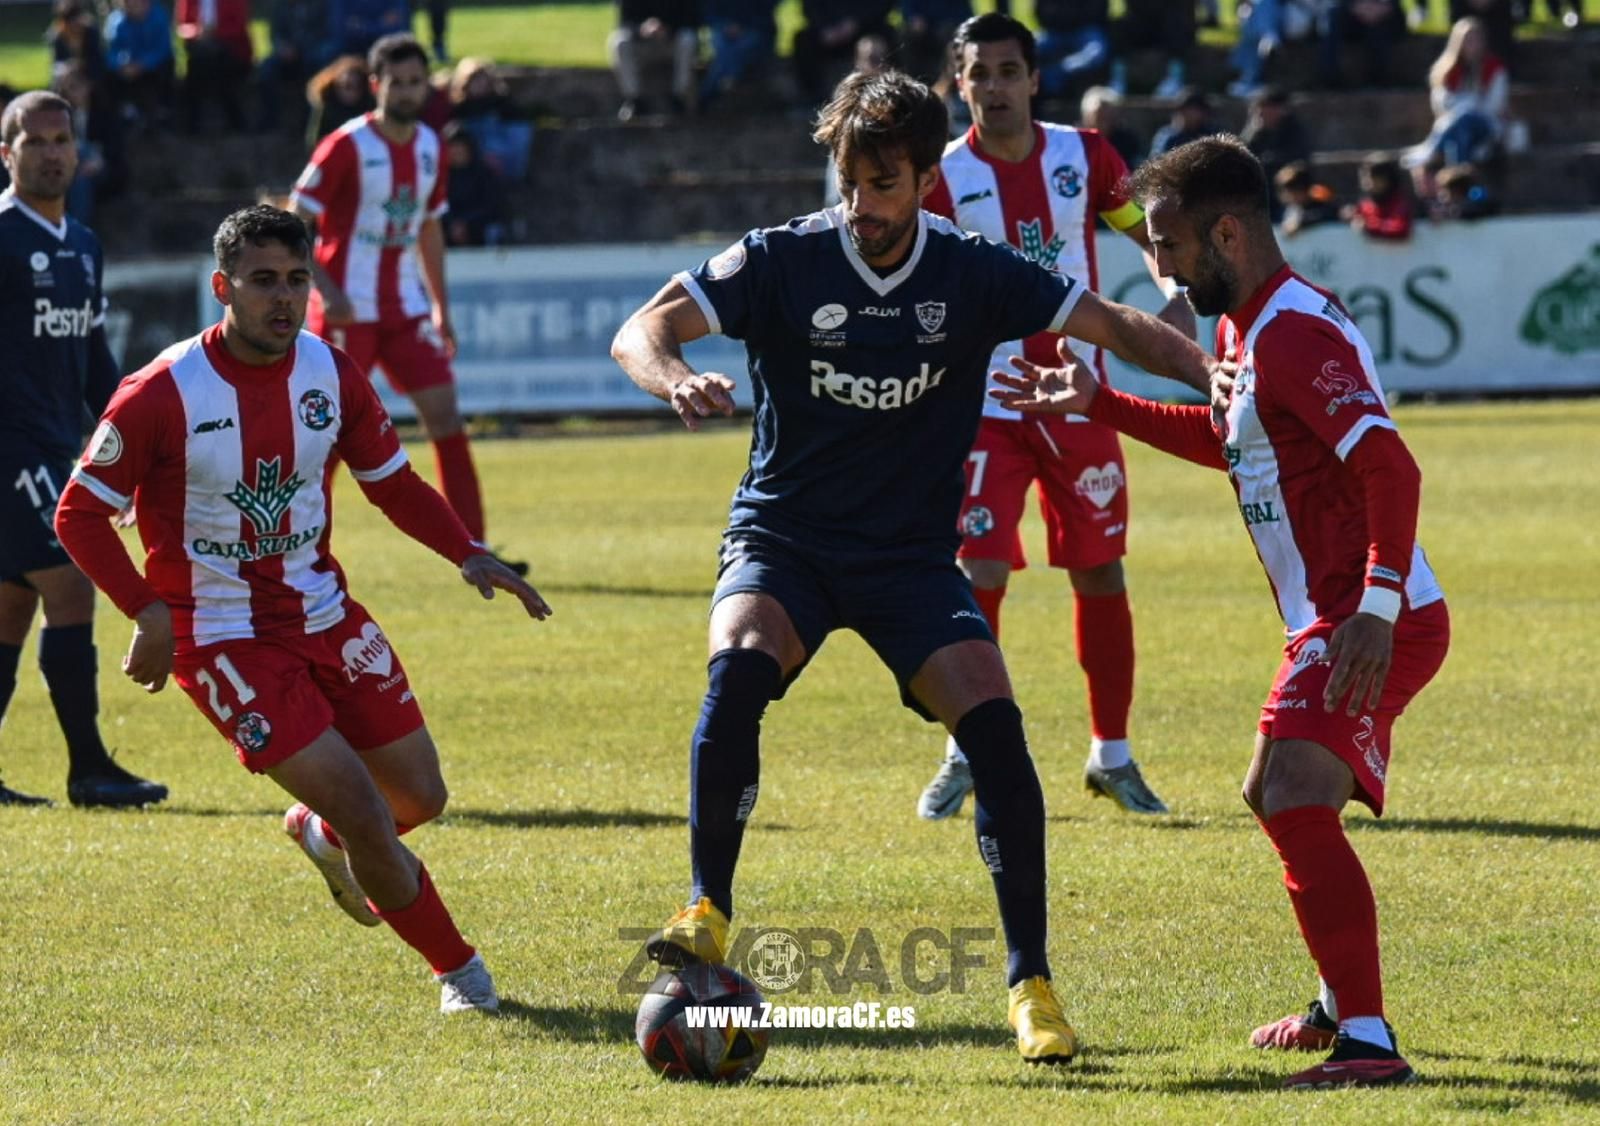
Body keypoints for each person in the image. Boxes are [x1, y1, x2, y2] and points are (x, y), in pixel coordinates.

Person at [610, 68, 1217, 1065]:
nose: (861, 207)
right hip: (786, 540)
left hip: (907, 559)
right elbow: (641, 328)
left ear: (928, 179)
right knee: (738, 666)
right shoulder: (780, 258)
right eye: (847, 182)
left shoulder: (972, 271)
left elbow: (1112, 323)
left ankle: (1032, 986)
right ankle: (706, 910)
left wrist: (1213, 372)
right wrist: (673, 374)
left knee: (998, 735)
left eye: (883, 185)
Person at [991, 134, 1448, 1089]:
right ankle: (1339, 1005)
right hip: (1337, 611)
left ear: (1227, 234)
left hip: (1373, 611)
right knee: (1271, 791)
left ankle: (1368, 1041)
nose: (1154, 263)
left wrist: (1374, 606)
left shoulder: (1291, 335)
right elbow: (1237, 442)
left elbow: (1390, 466)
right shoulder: (1243, 328)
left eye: (1165, 243)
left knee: (1292, 794)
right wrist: (1101, 402)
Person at [54, 204, 551, 1010]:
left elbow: (390, 481)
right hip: (222, 640)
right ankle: (463, 975)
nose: (281, 299)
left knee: (420, 798)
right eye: (261, 283)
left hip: (326, 613)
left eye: (295, 281)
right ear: (223, 287)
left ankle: (320, 836)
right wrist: (147, 611)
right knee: (364, 808)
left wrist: (467, 551)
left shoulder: (330, 371)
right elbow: (78, 513)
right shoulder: (161, 393)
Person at [916, 12, 1197, 821]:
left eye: (1010, 71)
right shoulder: (939, 178)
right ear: (958, 83)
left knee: (1100, 569)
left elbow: (1145, 232)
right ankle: (965, 749)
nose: (995, 87)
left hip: (1079, 396)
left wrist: (1174, 293)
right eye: (980, 73)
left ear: (1034, 79)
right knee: (979, 575)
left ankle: (1111, 754)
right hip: (984, 403)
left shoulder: (1087, 155)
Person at [292, 34, 524, 571]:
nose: (407, 91)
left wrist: (441, 306)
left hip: (404, 308)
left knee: (446, 417)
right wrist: (326, 292)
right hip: (349, 310)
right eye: (397, 82)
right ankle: (303, 551)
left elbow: (427, 229)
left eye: (417, 82)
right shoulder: (346, 144)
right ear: (377, 85)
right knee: (323, 437)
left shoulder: (430, 146)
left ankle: (475, 548)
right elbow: (295, 222)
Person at [0, 91, 166, 808]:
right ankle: (89, 768)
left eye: (61, 138)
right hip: (10, 453)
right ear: (6, 154)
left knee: (11, 608)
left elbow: (93, 356)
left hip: (52, 447)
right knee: (71, 585)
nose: (51, 152)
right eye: (33, 141)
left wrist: (131, 441)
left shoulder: (84, 244)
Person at [609, 0, 702, 121]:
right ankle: (634, 101)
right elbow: (623, 22)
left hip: (671, 42)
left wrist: (667, 28)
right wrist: (641, 28)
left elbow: (693, 21)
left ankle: (679, 98)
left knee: (688, 38)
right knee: (619, 41)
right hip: (642, 45)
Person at [103, 0, 177, 131]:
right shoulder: (116, 21)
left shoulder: (158, 16)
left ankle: (163, 110)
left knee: (166, 66)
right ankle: (125, 111)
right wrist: (121, 65)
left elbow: (163, 49)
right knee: (109, 75)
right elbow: (111, 51)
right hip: (128, 68)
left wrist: (143, 64)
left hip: (153, 67)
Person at [1240, 87, 1311, 222]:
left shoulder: (1294, 132)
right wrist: (1252, 132)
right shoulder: (1255, 133)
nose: (1262, 113)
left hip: (1288, 192)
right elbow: (1242, 156)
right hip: (1260, 193)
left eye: (1267, 107)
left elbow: (1297, 162)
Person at [1345, 154, 1413, 240]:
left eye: (1370, 177)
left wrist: (1369, 226)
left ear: (1384, 179)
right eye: (1364, 177)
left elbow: (1401, 228)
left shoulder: (1400, 203)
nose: (1366, 182)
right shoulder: (1366, 204)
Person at [1274, 160, 1341, 235]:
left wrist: (1300, 223)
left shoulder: (1323, 205)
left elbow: (1328, 215)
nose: (1287, 196)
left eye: (1291, 191)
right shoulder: (1290, 209)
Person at [1150, 88, 1221, 156]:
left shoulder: (1210, 135)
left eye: (1198, 110)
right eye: (1192, 109)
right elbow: (1157, 160)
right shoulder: (1168, 137)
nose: (1195, 114)